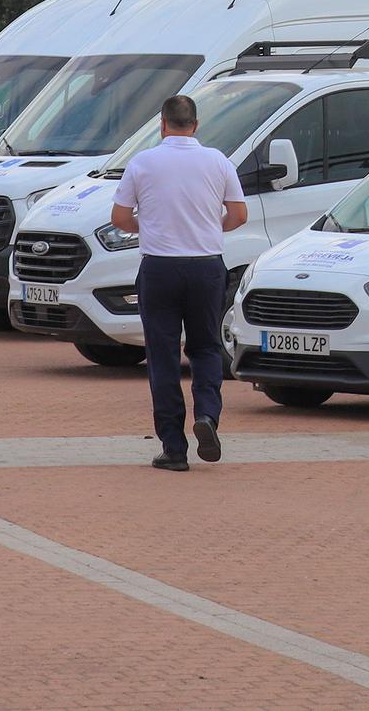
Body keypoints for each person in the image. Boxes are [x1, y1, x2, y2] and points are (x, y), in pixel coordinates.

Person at [110, 94, 247, 471]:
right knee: (205, 347)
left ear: (162, 124)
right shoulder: (218, 161)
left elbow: (120, 217)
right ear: (196, 125)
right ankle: (207, 415)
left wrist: (150, 225)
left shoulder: (143, 162)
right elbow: (239, 214)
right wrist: (206, 225)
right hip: (206, 266)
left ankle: (173, 447)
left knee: (163, 355)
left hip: (159, 267)